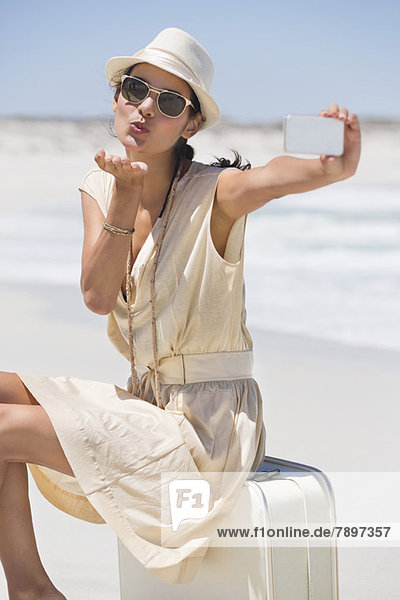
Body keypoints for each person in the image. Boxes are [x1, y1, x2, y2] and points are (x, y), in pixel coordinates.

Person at [0, 27, 361, 597]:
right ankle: (29, 586)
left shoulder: (216, 193)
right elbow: (96, 296)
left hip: (203, 436)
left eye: (169, 102)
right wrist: (121, 196)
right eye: (137, 88)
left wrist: (332, 165)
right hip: (147, 407)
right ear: (117, 95)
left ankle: (31, 590)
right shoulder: (101, 182)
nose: (146, 108)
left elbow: (274, 178)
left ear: (190, 124)